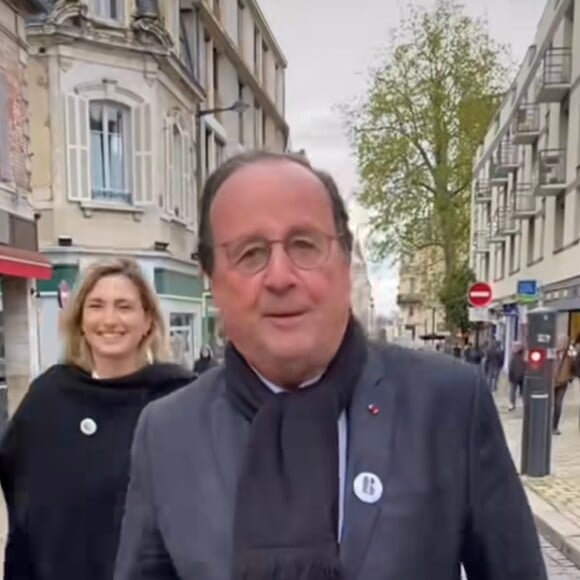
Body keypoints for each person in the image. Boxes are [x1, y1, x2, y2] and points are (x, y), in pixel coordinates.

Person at [114, 151, 547, 580]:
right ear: (210, 278)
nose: (280, 277)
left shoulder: (447, 404)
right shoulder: (167, 432)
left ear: (343, 263)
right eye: (250, 253)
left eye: (304, 245)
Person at [0, 258, 194, 580]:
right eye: (96, 306)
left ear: (147, 320)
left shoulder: (178, 400)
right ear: (80, 320)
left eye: (124, 307)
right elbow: (22, 489)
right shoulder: (49, 397)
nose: (109, 319)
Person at [553, 335, 576, 435]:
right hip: (552, 382)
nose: (562, 344)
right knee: (550, 405)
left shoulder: (570, 354)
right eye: (560, 342)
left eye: (564, 342)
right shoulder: (553, 353)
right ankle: (548, 424)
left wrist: (570, 377)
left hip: (563, 382)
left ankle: (554, 426)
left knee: (558, 405)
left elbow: (575, 367)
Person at [507, 342, 526, 411]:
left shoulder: (513, 357)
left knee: (513, 391)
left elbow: (511, 367)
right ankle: (525, 405)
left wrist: (510, 376)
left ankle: (512, 404)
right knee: (524, 392)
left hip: (514, 377)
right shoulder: (524, 356)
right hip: (522, 376)